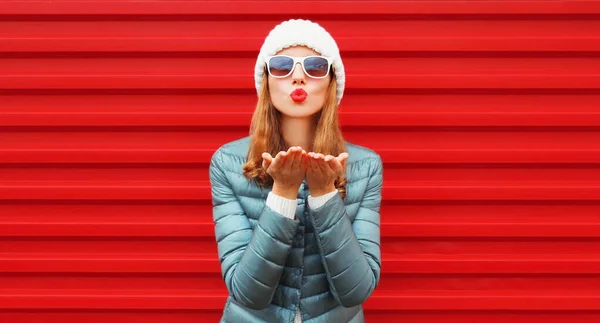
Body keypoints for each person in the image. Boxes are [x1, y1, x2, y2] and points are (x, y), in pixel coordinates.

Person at [209, 18, 384, 323]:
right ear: (267, 80)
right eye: (282, 66)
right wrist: (283, 194)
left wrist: (324, 196)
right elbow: (247, 292)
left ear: (331, 81)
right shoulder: (228, 163)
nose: (298, 78)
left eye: (315, 67)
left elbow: (356, 291)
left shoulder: (366, 166)